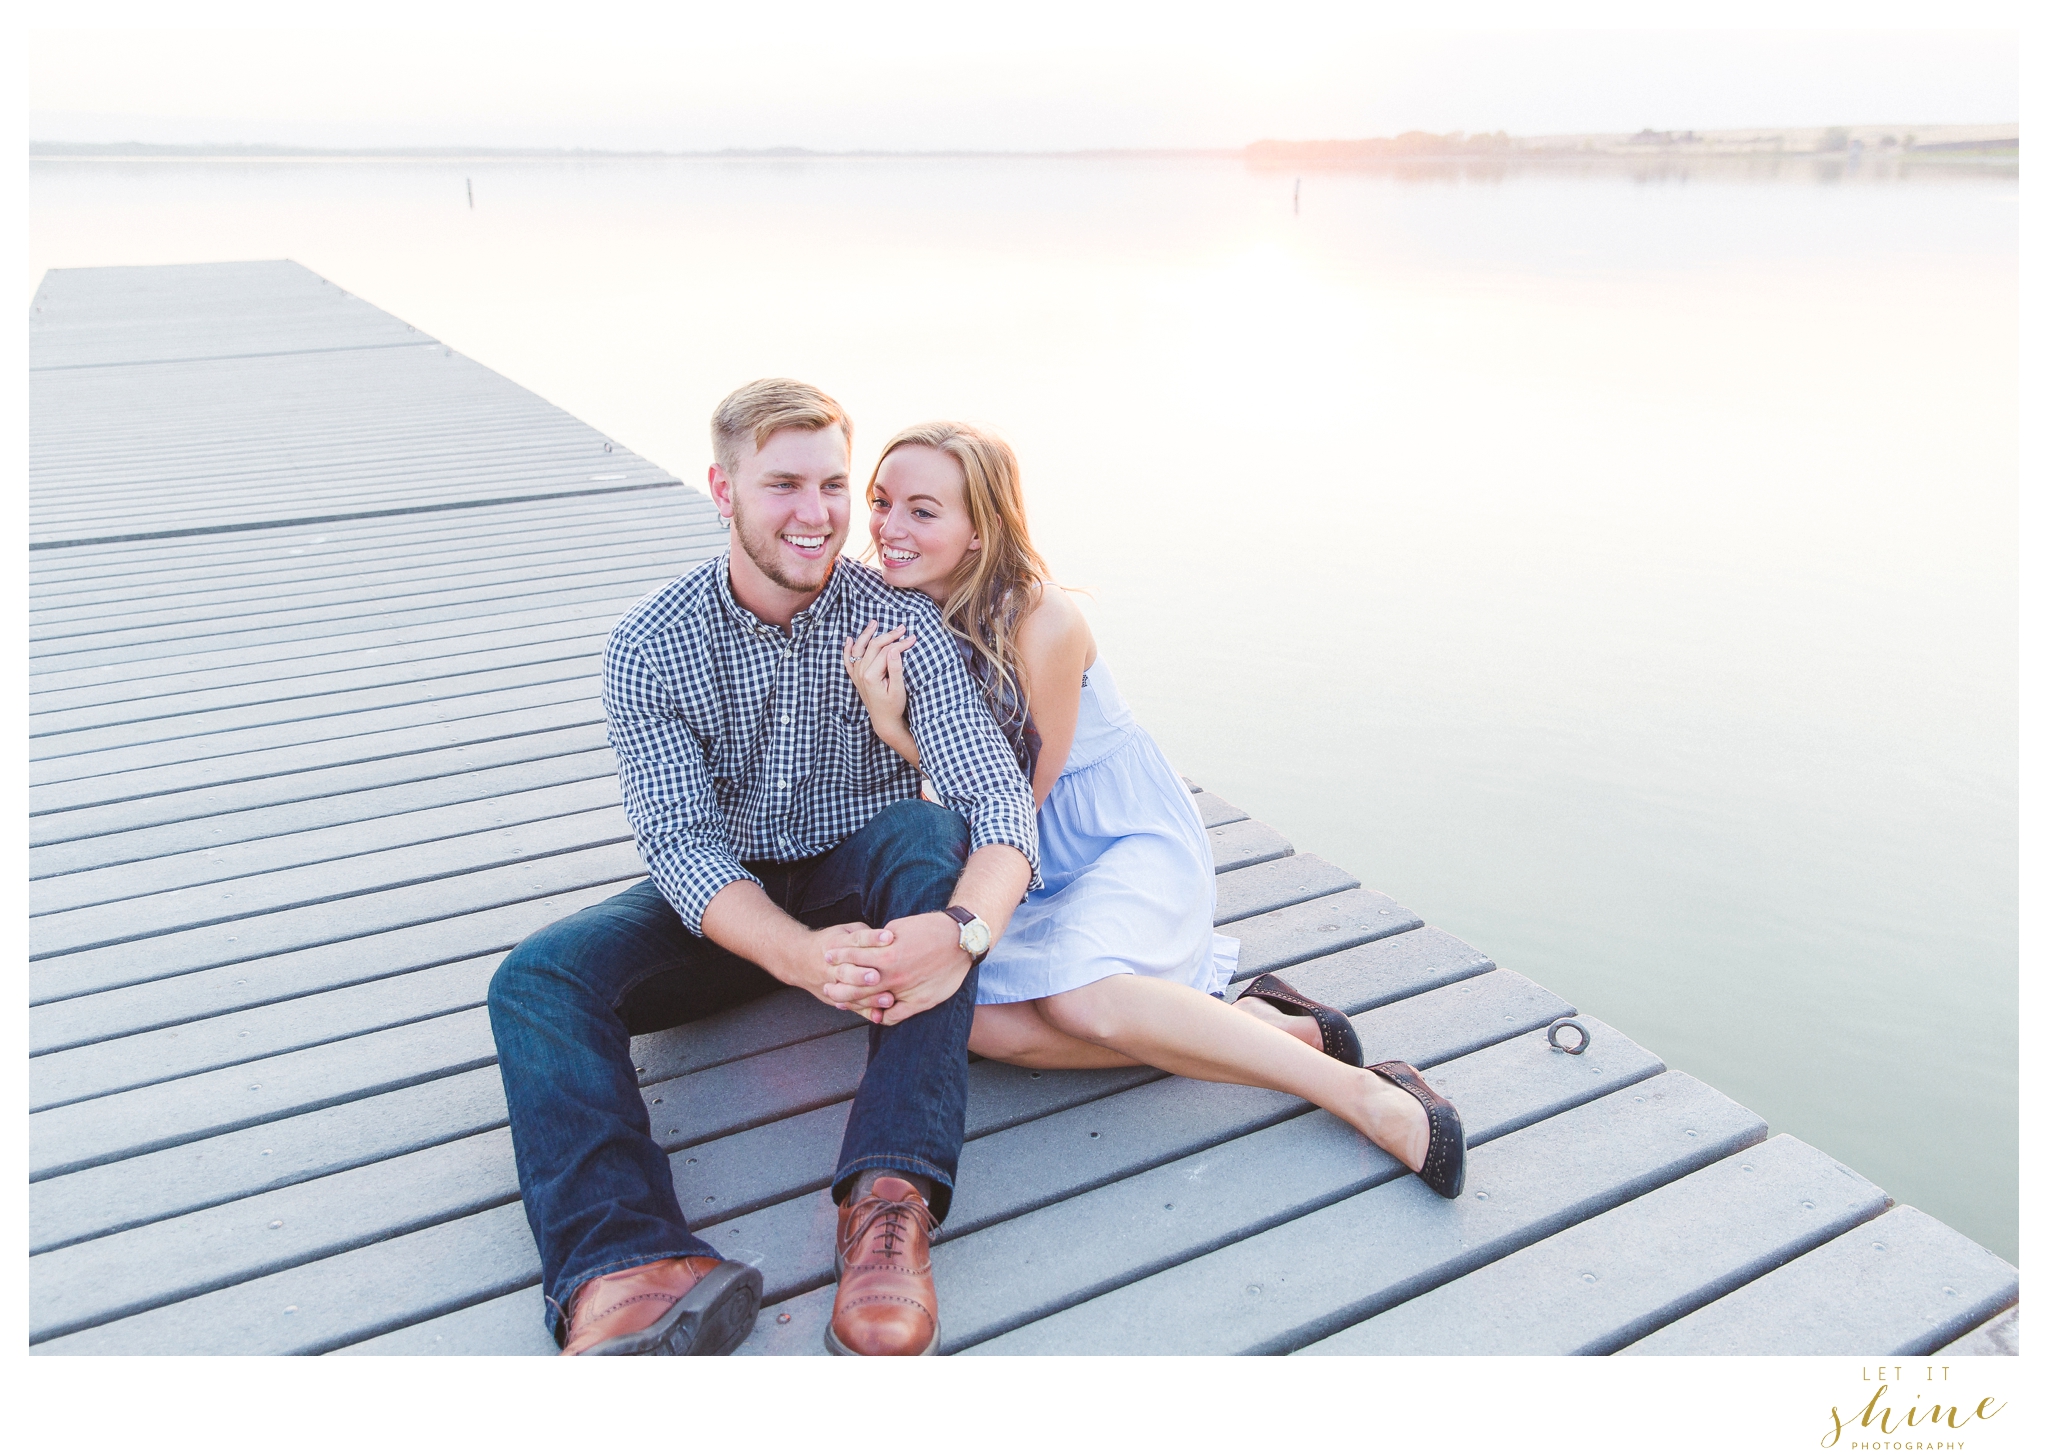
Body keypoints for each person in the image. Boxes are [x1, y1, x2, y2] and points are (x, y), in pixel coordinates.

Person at [487, 381, 1039, 1358]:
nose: (817, 514)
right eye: (783, 483)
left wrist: (964, 937)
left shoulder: (897, 621)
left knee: (924, 839)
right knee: (535, 980)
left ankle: (888, 1204)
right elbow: (680, 845)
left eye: (833, 484)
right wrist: (792, 956)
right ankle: (625, 1264)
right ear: (721, 487)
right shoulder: (650, 645)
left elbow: (995, 803)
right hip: (729, 909)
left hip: (861, 886)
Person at [841, 421, 1466, 1199]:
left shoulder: (1043, 620)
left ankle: (1363, 1093)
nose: (889, 528)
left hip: (1109, 839)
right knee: (964, 1018)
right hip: (1016, 862)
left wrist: (894, 729)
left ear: (979, 529)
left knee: (1077, 998)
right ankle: (1277, 1029)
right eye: (881, 501)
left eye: (923, 511)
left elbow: (1015, 801)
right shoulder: (897, 608)